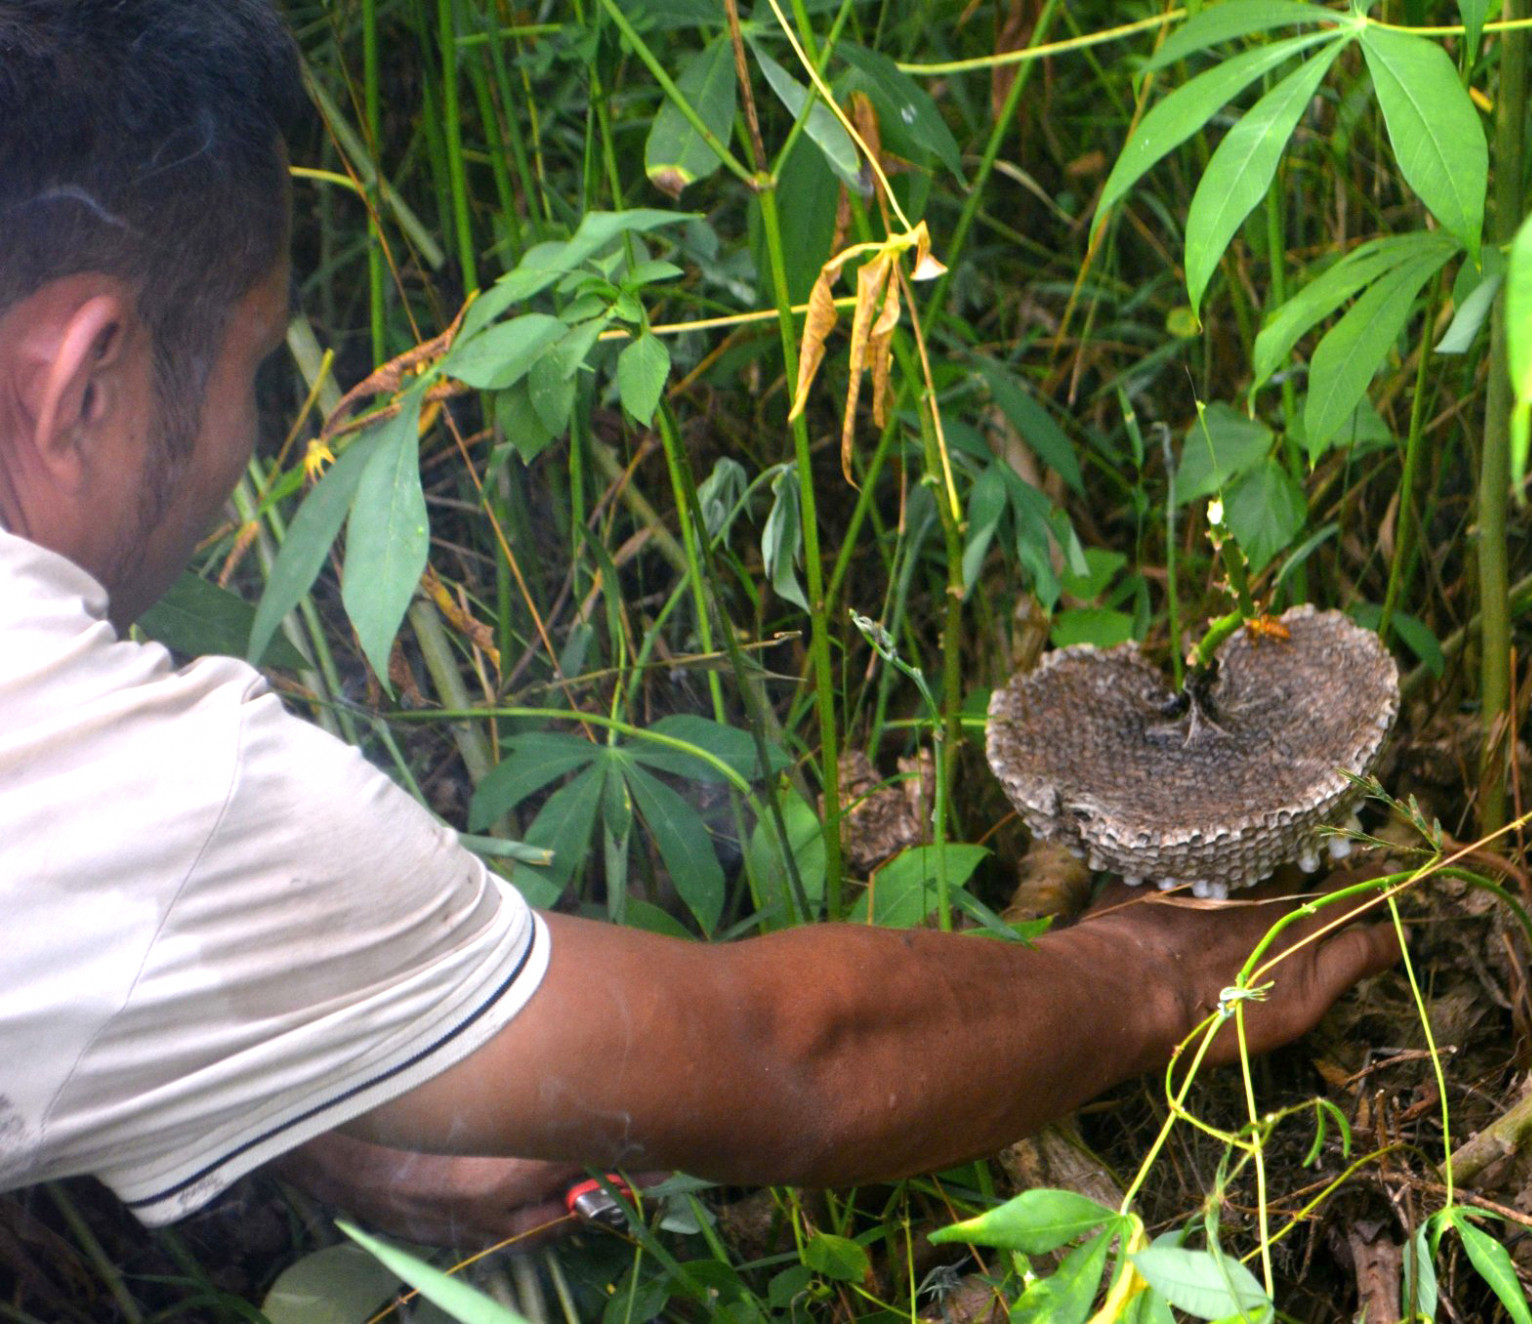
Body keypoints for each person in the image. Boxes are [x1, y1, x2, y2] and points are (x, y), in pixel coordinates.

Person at [0, 0, 1396, 1250]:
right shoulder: (152, 792)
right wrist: (1149, 975)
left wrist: (304, 1084)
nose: (252, 440)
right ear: (83, 384)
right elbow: (794, 1061)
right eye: (257, 364)